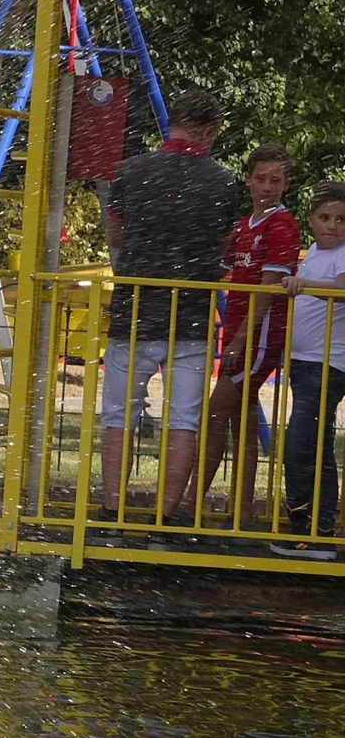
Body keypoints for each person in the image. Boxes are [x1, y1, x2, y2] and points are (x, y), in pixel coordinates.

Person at [97, 88, 248, 524]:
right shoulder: (221, 182)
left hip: (136, 309)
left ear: (172, 124)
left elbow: (118, 235)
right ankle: (166, 517)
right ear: (207, 131)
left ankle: (112, 508)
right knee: (184, 419)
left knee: (119, 415)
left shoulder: (131, 171)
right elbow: (222, 242)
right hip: (192, 315)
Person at [198, 143, 300, 530]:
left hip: (258, 336)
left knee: (213, 413)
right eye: (261, 178)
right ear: (248, 179)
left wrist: (240, 341)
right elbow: (221, 270)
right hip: (238, 332)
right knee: (239, 425)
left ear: (286, 184)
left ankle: (190, 506)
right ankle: (240, 514)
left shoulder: (282, 226)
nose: (268, 186)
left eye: (276, 180)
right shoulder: (244, 224)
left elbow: (267, 289)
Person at [272, 183, 345, 559]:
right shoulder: (315, 251)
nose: (333, 226)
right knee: (308, 444)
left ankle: (316, 532)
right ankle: (306, 527)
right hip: (304, 362)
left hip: (327, 364)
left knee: (304, 444)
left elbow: (340, 286)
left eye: (341, 219)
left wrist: (303, 285)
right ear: (311, 220)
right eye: (325, 218)